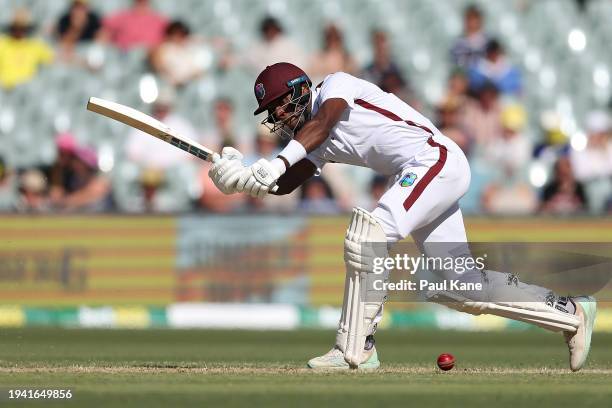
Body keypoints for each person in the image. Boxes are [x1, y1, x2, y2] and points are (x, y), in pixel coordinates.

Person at [207, 63, 596, 371]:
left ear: (301, 89)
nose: (276, 114)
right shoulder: (311, 142)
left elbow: (322, 124)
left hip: (434, 159)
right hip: (421, 173)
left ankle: (355, 349)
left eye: (279, 103)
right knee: (464, 288)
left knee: (367, 237)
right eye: (270, 110)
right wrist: (241, 180)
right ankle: (571, 313)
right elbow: (286, 182)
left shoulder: (336, 87)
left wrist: (274, 164)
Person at [0, 8, 54, 89]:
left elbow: (52, 58)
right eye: (16, 27)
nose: (19, 31)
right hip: (5, 87)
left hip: (29, 89)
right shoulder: (2, 42)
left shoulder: (35, 44)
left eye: (22, 28)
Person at [149, 20, 208, 87]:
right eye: (180, 35)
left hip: (186, 85)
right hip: (168, 87)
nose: (182, 39)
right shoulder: (161, 50)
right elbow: (160, 71)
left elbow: (197, 72)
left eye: (184, 36)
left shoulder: (185, 50)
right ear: (173, 34)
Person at [99, 0, 167, 51]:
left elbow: (170, 36)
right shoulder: (122, 16)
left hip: (151, 55)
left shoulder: (159, 19)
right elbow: (104, 30)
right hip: (125, 54)